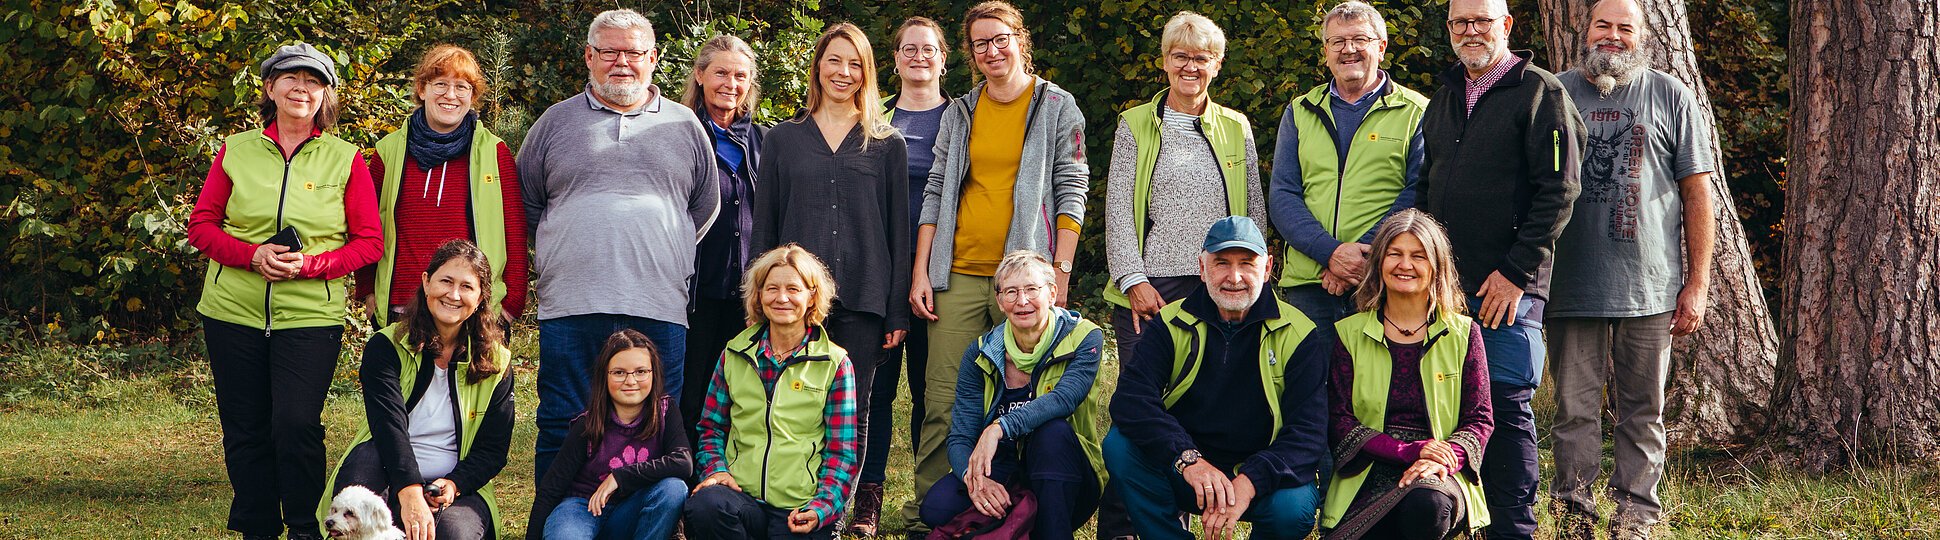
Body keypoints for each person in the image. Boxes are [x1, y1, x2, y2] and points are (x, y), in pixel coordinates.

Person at [905, 1, 1090, 529]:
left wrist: (1061, 270)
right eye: (981, 43)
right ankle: (935, 509)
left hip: (1027, 278)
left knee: (1035, 395)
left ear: (1019, 39)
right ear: (970, 53)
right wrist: (922, 271)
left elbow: (1072, 188)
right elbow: (936, 189)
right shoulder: (961, 111)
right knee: (943, 397)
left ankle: (1035, 499)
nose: (992, 50)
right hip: (958, 270)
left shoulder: (1056, 105)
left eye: (1001, 38)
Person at [187, 41, 382, 540]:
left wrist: (311, 265)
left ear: (325, 95)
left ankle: (303, 527)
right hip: (232, 311)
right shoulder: (236, 149)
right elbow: (202, 227)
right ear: (270, 88)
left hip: (309, 318)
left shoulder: (346, 158)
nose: (302, 87)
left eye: (314, 80)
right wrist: (252, 255)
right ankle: (255, 526)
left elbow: (369, 243)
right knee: (246, 429)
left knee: (295, 425)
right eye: (291, 78)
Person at [519, 9, 721, 483]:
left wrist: (659, 245)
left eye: (633, 52)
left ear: (653, 58)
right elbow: (527, 204)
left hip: (657, 303)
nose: (621, 62)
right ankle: (557, 522)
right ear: (589, 56)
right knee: (562, 420)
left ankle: (649, 522)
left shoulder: (685, 125)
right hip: (571, 302)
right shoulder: (555, 122)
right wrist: (573, 243)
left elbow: (704, 207)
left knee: (657, 426)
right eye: (609, 51)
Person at [1546, 1, 1716, 538]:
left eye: (1625, 28)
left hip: (1650, 286)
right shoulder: (1554, 92)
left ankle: (1636, 515)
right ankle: (1573, 514)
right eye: (1603, 25)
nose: (1612, 36)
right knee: (1573, 411)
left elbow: (1697, 193)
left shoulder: (1670, 94)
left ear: (1642, 36)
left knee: (1643, 410)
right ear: (1586, 30)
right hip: (1568, 284)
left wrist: (1697, 282)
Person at [1416, 0, 1584, 537]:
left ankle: (1514, 529)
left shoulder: (1541, 93)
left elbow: (1559, 192)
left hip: (1506, 290)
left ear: (1505, 26)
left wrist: (1515, 272)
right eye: (1459, 22)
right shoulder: (1443, 98)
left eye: (1481, 21)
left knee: (1507, 412)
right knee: (1448, 410)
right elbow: (1426, 188)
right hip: (1443, 291)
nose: (1470, 31)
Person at [748, 25, 909, 534]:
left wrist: (895, 309)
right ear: (817, 66)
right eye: (834, 61)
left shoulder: (887, 144)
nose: (843, 73)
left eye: (855, 63)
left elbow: (898, 234)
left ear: (868, 72)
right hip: (791, 301)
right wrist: (758, 301)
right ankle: (780, 500)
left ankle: (831, 515)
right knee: (794, 402)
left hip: (864, 296)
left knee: (852, 410)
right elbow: (765, 225)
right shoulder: (784, 139)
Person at [1103, 216, 1329, 540]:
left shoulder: (1300, 333)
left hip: (1257, 475)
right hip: (1188, 468)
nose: (1234, 277)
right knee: (1119, 447)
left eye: (1247, 264)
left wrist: (1250, 481)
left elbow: (1308, 433)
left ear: (1267, 269)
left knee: (1292, 509)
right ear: (1202, 267)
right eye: (1221, 262)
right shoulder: (1170, 322)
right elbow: (1131, 401)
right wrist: (1188, 460)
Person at [323, 240, 516, 540]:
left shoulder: (497, 362)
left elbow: (493, 451)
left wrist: (453, 484)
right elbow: (388, 427)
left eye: (466, 287)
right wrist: (409, 491)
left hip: (456, 484)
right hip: (384, 462)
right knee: (358, 517)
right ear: (426, 283)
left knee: (455, 535)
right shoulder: (386, 345)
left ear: (480, 298)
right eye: (446, 281)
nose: (453, 295)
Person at [1319, 209, 1493, 539]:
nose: (1405, 265)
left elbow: (1480, 419)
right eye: (1394, 254)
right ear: (1379, 262)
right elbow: (1339, 420)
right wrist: (1409, 451)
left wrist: (1445, 457)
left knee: (1426, 505)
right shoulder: (1349, 333)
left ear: (1437, 267)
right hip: (1368, 468)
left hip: (1437, 472)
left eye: (1418, 256)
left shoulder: (1463, 334)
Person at [918, 251, 1107, 539]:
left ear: (1052, 293)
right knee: (937, 508)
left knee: (1051, 432)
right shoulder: (980, 352)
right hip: (1004, 468)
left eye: (1032, 289)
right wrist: (976, 481)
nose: (1022, 301)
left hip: (1065, 471)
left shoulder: (1084, 337)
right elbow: (961, 437)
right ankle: (1016, 520)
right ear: (999, 301)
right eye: (1011, 292)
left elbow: (1064, 398)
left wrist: (999, 428)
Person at [1269, 1, 1429, 330]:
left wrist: (1362, 255)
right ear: (1326, 51)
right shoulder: (1300, 111)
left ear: (1381, 47)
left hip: (1383, 280)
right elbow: (1283, 194)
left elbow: (1417, 192)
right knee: (1309, 382)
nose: (1349, 50)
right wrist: (1331, 253)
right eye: (1338, 41)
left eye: (1360, 39)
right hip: (1309, 286)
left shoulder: (1416, 111)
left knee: (1379, 381)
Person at [684, 244, 858, 539]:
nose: (782, 298)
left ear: (812, 295)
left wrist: (821, 507)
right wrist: (716, 470)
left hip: (798, 506)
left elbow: (841, 454)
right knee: (704, 506)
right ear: (759, 294)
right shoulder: (734, 353)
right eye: (771, 288)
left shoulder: (835, 363)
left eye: (794, 288)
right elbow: (711, 427)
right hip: (741, 497)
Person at [853, 16, 951, 537]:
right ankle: (868, 499)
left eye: (928, 49)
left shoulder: (962, 119)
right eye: (908, 49)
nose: (918, 57)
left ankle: (933, 499)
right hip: (883, 276)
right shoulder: (872, 121)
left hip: (945, 278)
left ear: (943, 58)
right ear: (894, 61)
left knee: (935, 394)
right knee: (876, 392)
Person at [357, 44, 528, 327]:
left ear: (472, 97)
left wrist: (511, 305)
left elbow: (515, 231)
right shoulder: (388, 151)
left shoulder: (494, 153)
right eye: (440, 84)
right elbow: (367, 227)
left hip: (470, 307)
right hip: (401, 304)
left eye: (462, 87)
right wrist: (367, 291)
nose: (451, 95)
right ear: (422, 90)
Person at [680, 33, 767, 446]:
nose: (730, 83)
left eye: (740, 75)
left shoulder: (764, 140)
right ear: (700, 76)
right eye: (720, 73)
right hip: (693, 286)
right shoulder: (679, 132)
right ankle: (686, 480)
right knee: (692, 389)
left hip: (749, 292)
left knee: (741, 392)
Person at [529, 330, 693, 540]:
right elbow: (550, 489)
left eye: (641, 371)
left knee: (673, 489)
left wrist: (619, 477)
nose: (631, 380)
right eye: (619, 372)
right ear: (604, 376)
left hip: (632, 511)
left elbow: (683, 462)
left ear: (654, 374)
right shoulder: (587, 424)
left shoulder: (665, 412)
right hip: (582, 508)